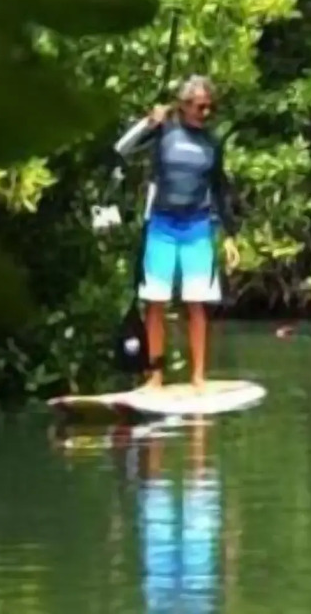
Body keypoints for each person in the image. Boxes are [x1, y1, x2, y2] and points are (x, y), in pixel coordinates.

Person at [114, 75, 240, 390]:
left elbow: (220, 190)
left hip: (198, 228)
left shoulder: (212, 143)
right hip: (161, 225)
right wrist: (147, 122)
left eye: (210, 107)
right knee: (154, 302)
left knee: (196, 303)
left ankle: (198, 376)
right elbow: (121, 149)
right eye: (200, 107)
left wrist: (230, 235)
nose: (206, 113)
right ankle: (154, 375)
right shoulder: (163, 131)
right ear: (184, 106)